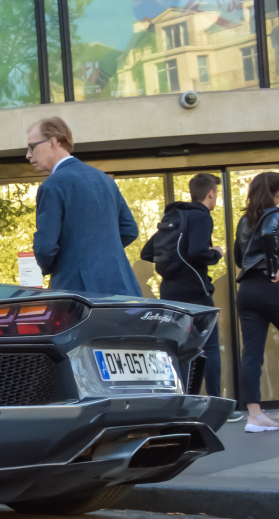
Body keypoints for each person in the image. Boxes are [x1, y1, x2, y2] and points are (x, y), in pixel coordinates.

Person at [27, 117, 142, 296]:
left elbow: (45, 247)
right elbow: (129, 230)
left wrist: (62, 263)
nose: (28, 155)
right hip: (121, 287)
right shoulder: (104, 179)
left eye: (31, 147)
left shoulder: (52, 185)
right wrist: (101, 252)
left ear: (52, 142)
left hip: (77, 292)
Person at [140, 172, 225, 397]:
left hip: (170, 291)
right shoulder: (202, 217)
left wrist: (174, 264)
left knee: (178, 349)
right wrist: (216, 254)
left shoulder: (175, 216)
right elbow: (197, 252)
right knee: (210, 347)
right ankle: (215, 402)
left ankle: (183, 401)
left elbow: (147, 252)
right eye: (216, 194)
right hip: (196, 293)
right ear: (211, 193)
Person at [233, 171, 279, 433]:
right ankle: (257, 417)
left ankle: (254, 416)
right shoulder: (275, 216)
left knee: (251, 355)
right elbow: (270, 238)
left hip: (248, 290)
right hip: (271, 286)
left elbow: (240, 258)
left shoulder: (244, 220)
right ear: (276, 192)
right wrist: (275, 267)